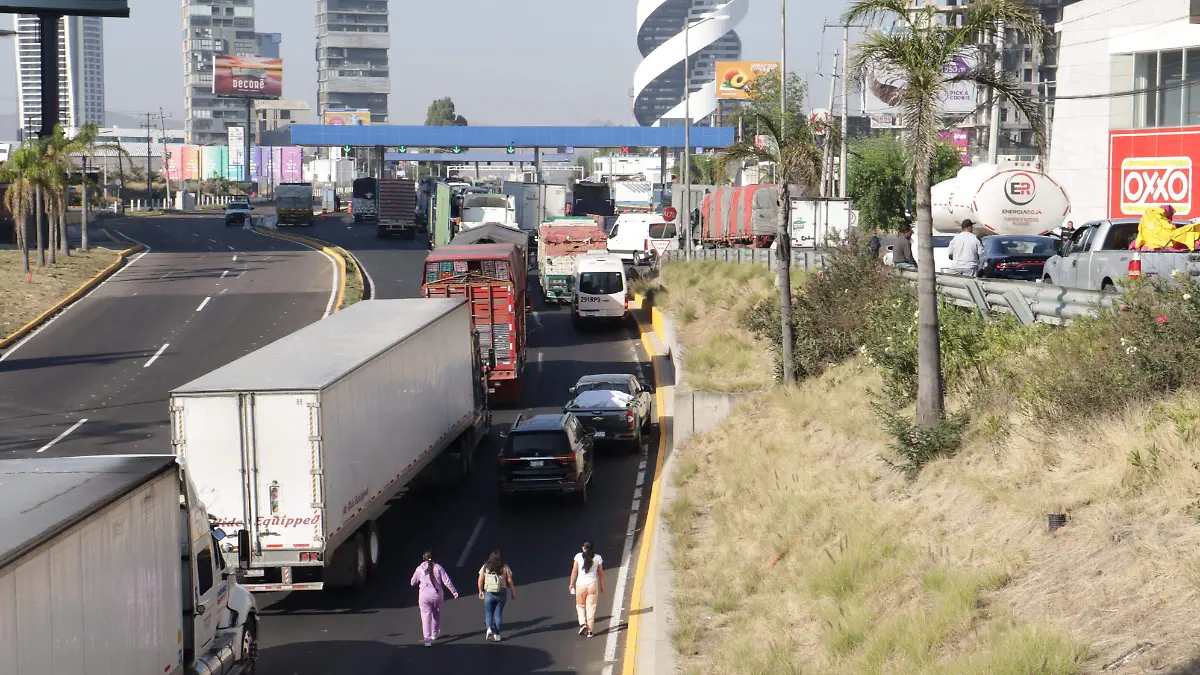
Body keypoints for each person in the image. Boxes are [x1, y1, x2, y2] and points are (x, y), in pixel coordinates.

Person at [410, 550, 458, 647]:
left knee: (425, 617)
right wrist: (454, 592)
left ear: (423, 558)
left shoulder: (419, 569)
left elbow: (412, 582)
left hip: (424, 597)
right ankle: (434, 633)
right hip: (437, 595)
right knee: (436, 613)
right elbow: (447, 581)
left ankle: (427, 640)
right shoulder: (438, 568)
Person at [568, 540, 605, 638]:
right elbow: (600, 573)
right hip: (592, 585)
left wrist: (571, 584)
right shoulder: (598, 558)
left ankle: (582, 623)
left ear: (583, 548)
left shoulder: (578, 557)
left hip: (580, 585)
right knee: (591, 607)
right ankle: (590, 631)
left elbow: (574, 571)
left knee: (580, 606)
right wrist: (602, 586)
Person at [477, 550, 516, 642]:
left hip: (489, 593)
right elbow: (509, 581)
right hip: (501, 593)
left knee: (489, 613)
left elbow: (480, 580)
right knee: (498, 615)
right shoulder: (505, 567)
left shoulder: (485, 567)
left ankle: (489, 630)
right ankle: (497, 634)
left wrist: (480, 591)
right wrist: (513, 592)